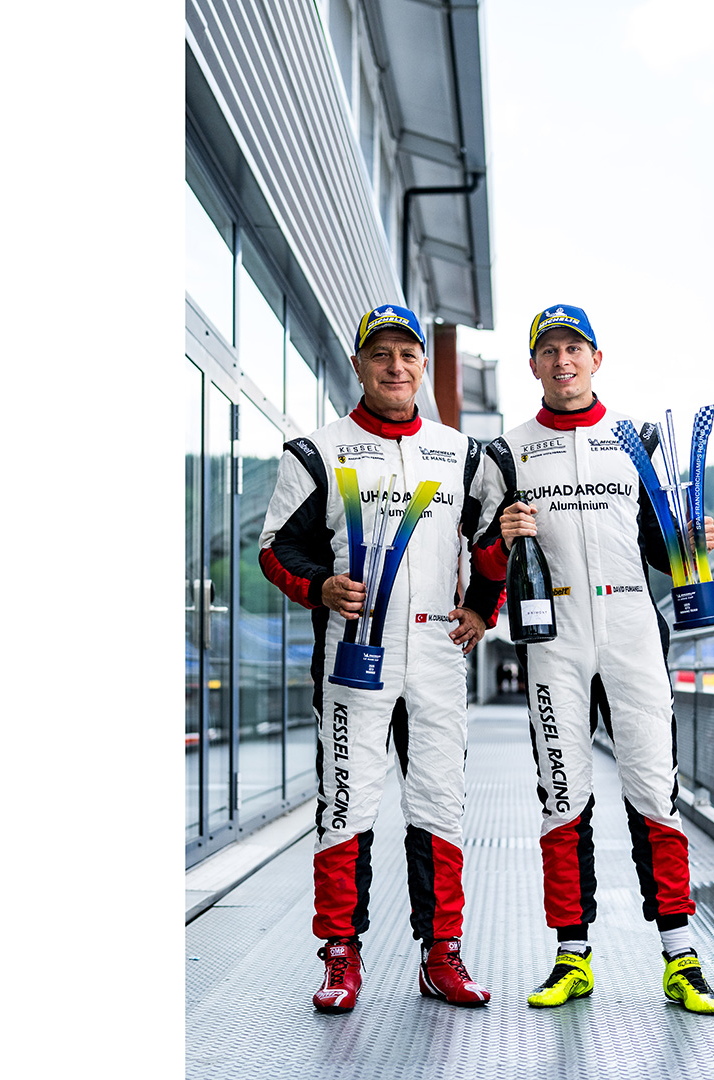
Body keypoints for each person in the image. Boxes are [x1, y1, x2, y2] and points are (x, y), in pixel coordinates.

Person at [472, 303, 714, 1015]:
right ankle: (571, 956)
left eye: (574, 348)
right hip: (553, 635)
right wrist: (501, 537)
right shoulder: (506, 451)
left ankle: (681, 957)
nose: (563, 361)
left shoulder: (633, 441)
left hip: (631, 629)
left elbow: (660, 550)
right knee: (562, 794)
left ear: (596, 358)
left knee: (655, 792)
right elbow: (483, 558)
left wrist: (691, 542)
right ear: (533, 365)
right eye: (549, 350)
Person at [257, 304, 502, 1013]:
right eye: (381, 355)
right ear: (359, 365)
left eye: (408, 355)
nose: (396, 367)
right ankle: (340, 955)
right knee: (346, 802)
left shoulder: (461, 454)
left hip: (436, 652)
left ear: (422, 365)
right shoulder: (316, 451)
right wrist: (319, 586)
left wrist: (482, 606)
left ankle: (442, 954)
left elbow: (494, 537)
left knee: (440, 803)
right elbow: (276, 548)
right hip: (352, 653)